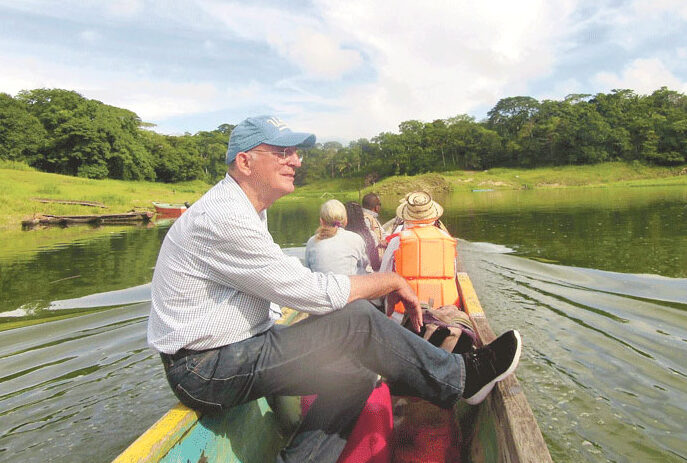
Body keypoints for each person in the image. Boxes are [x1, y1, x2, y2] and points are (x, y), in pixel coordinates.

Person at [147, 115, 522, 463]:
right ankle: (459, 379)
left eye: (295, 152)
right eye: (281, 152)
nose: (296, 160)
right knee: (358, 321)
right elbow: (311, 292)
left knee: (355, 374)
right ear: (245, 163)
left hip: (238, 349)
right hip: (206, 368)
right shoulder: (224, 216)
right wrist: (390, 280)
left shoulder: (247, 210)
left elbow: (285, 274)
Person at [381, 191, 450, 274]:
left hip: (406, 287)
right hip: (439, 287)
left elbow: (384, 272)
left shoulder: (397, 241)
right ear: (433, 216)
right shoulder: (446, 238)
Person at [305, 199, 371, 275]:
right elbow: (365, 265)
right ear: (346, 220)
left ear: (321, 221)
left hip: (321, 286)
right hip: (349, 285)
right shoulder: (356, 239)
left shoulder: (312, 242)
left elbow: (308, 269)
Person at [344, 201, 382, 271]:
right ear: (362, 216)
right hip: (368, 275)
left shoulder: (342, 238)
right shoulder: (371, 234)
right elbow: (375, 263)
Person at [361, 193, 388, 263]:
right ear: (376, 207)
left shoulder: (366, 217)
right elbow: (366, 237)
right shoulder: (366, 218)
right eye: (380, 204)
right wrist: (381, 242)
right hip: (372, 260)